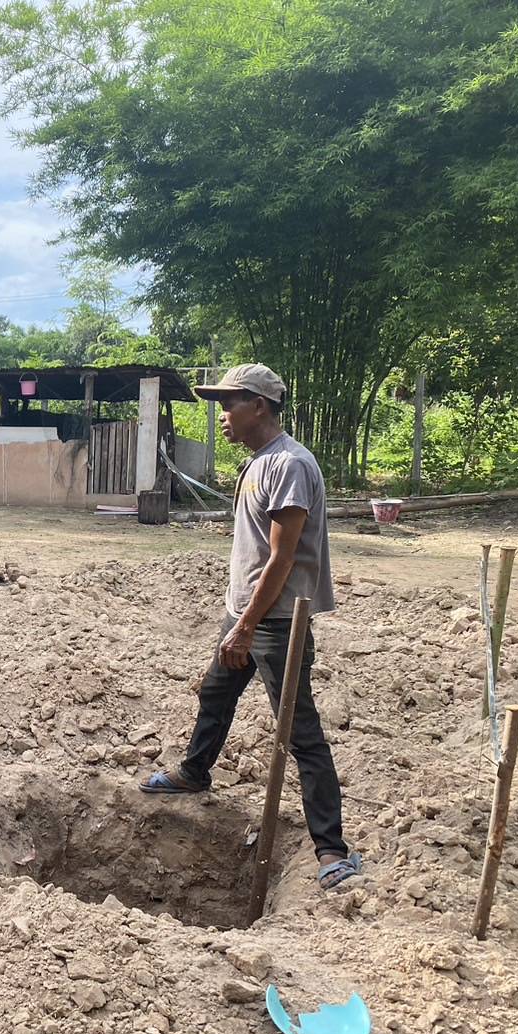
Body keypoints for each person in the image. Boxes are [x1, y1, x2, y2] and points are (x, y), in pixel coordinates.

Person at [140, 363, 359, 890]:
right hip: (244, 613)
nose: (222, 416)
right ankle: (194, 772)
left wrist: (246, 626)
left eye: (229, 404)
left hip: (276, 621)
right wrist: (238, 620)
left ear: (259, 406)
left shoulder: (290, 465)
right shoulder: (259, 462)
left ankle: (331, 849)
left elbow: (282, 559)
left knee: (298, 731)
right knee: (216, 693)